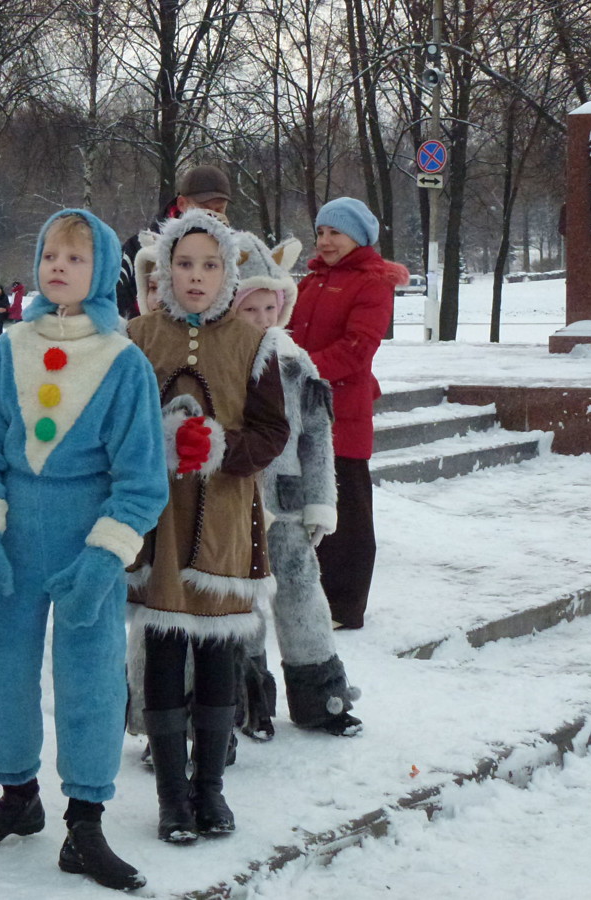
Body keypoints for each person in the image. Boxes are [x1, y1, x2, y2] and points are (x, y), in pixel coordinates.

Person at [0, 209, 168, 892]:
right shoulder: (7, 350)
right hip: (13, 542)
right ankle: (18, 797)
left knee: (91, 680)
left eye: (75, 258)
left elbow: (141, 478)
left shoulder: (123, 361)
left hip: (85, 545)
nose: (58, 268)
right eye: (50, 255)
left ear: (101, 271)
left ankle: (85, 822)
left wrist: (105, 558)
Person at [127, 209, 289, 844]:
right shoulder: (137, 337)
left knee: (221, 652)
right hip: (159, 523)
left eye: (210, 265)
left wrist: (223, 446)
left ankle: (211, 790)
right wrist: (157, 440)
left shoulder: (253, 344)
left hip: (224, 520)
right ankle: (172, 797)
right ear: (166, 270)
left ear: (228, 273)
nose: (196, 276)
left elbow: (272, 432)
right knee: (164, 652)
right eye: (185, 263)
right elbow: (114, 425)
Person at [230, 231, 362, 738]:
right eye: (250, 309)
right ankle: (248, 703)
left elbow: (317, 437)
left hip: (286, 503)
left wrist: (321, 500)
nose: (263, 319)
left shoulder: (296, 362)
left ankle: (321, 699)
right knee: (243, 602)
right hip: (236, 504)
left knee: (303, 595)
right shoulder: (224, 363)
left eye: (271, 308)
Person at [288, 198, 408, 630]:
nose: (325, 241)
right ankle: (309, 594)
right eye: (320, 232)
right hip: (303, 406)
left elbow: (358, 348)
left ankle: (344, 605)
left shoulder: (372, 283)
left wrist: (300, 368)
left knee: (348, 507)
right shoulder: (312, 281)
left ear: (357, 236)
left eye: (335, 233)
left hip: (343, 411)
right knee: (310, 501)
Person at [115, 164, 233, 319]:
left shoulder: (232, 251)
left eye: (219, 209)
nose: (212, 216)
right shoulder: (139, 247)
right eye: (203, 208)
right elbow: (119, 303)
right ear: (182, 204)